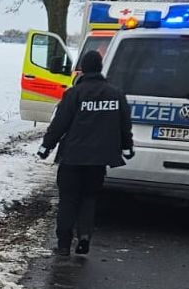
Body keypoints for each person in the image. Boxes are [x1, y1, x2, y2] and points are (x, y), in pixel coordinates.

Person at [36, 50, 134, 256]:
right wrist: (127, 146)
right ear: (100, 68)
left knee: (68, 199)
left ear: (82, 69)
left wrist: (46, 146)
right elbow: (124, 125)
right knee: (89, 198)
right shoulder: (116, 94)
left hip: (72, 158)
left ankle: (63, 244)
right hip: (98, 160)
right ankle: (84, 238)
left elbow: (59, 124)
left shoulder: (74, 94)